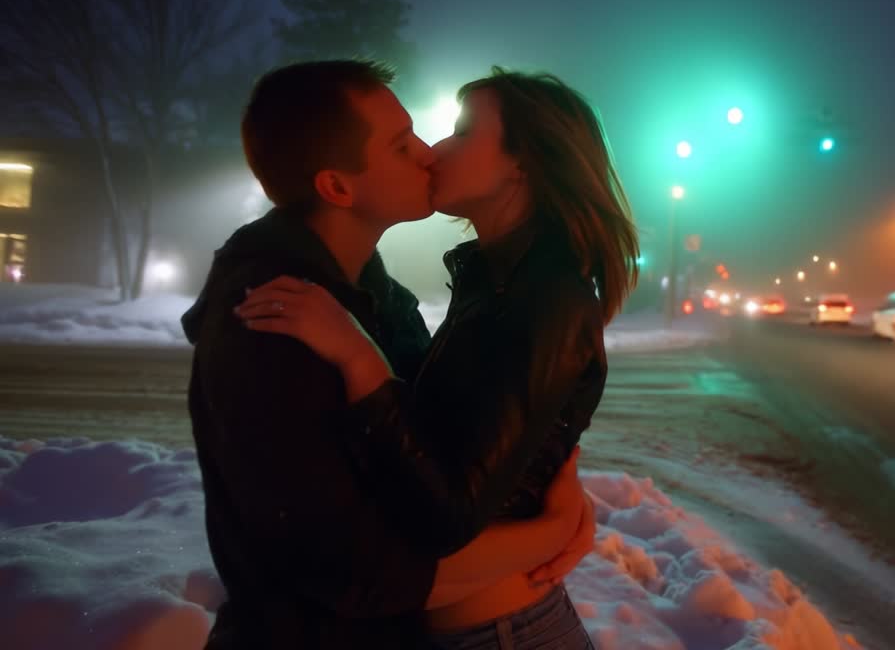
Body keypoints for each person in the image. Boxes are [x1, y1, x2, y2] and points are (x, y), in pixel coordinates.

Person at [182, 60, 597, 650]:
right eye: (403, 145)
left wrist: (549, 489)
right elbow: (358, 572)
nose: (429, 154)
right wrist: (549, 532)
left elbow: (450, 444)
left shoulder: (371, 296)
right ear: (337, 187)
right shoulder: (274, 317)